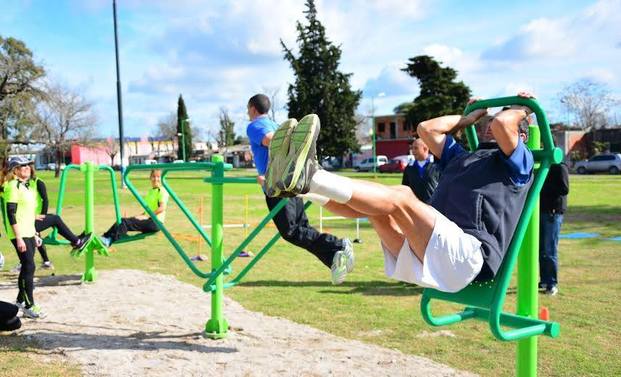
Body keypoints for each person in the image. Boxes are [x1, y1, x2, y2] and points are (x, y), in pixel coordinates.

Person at [265, 92, 535, 292]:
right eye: (485, 123)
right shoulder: (462, 157)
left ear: (521, 137)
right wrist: (467, 118)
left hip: (467, 257)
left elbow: (502, 124)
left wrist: (522, 108)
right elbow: (426, 129)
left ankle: (311, 177)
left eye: (495, 122)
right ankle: (301, 188)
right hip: (431, 251)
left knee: (402, 195)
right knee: (375, 210)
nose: (489, 125)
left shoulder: (519, 165)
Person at [246, 94, 354, 285]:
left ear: (253, 109)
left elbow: (272, 140)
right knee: (301, 228)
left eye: (248, 110)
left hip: (278, 185)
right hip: (290, 182)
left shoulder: (255, 126)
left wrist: (268, 176)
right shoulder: (274, 123)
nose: (248, 113)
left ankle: (338, 244)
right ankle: (333, 259)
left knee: (291, 231)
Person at [2, 157, 47, 318]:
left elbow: (28, 214)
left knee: (29, 267)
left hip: (29, 231)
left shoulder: (26, 186)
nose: (27, 168)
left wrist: (35, 233)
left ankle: (21, 300)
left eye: (28, 165)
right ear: (15, 170)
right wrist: (18, 237)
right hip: (19, 233)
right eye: (23, 166)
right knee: (29, 266)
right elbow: (11, 213)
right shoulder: (12, 186)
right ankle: (28, 305)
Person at [30, 163, 91, 269]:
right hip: (29, 219)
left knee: (46, 226)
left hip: (34, 217)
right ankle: (77, 242)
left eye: (28, 168)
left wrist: (43, 215)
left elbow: (45, 200)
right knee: (55, 219)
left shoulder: (37, 182)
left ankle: (46, 262)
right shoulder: (21, 185)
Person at [100, 170, 167, 247]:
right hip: (149, 220)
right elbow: (147, 211)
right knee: (122, 220)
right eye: (153, 176)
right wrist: (135, 217)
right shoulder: (151, 191)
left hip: (155, 222)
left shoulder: (162, 190)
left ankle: (109, 240)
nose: (156, 179)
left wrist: (148, 216)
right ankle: (104, 237)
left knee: (125, 223)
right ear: (150, 178)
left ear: (162, 178)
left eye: (158, 177)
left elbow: (162, 208)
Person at [539, 162, 569, 296]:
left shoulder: (559, 167)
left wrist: (542, 185)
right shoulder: (543, 166)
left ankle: (552, 283)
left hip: (553, 212)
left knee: (549, 249)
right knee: (541, 249)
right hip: (541, 211)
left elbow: (564, 188)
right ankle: (544, 279)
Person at [401, 138, 439, 203]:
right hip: (414, 207)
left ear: (425, 149)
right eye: (412, 148)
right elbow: (404, 188)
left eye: (416, 148)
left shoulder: (437, 165)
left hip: (433, 208)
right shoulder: (409, 167)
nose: (412, 151)